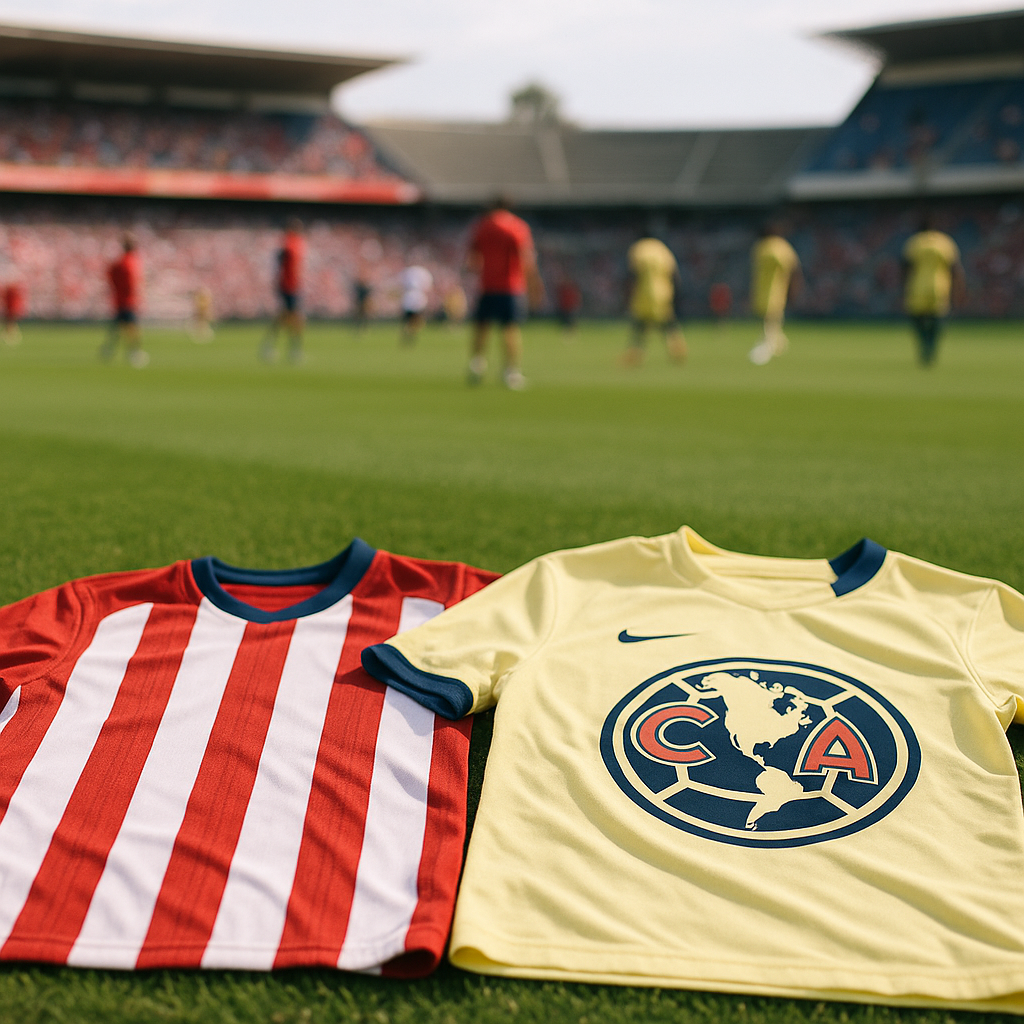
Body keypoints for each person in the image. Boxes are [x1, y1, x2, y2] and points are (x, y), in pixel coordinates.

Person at [466, 196, 543, 389]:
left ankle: (477, 364)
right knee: (510, 328)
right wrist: (534, 284)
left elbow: (472, 259)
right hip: (510, 285)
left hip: (487, 284)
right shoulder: (516, 226)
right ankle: (510, 371)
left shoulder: (482, 226)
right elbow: (526, 257)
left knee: (481, 326)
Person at [902, 216, 965, 366]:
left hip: (918, 287)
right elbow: (955, 267)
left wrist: (903, 288)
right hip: (939, 287)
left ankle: (924, 342)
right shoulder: (944, 242)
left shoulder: (915, 242)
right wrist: (960, 287)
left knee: (917, 318)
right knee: (937, 318)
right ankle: (932, 344)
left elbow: (906, 267)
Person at [623, 237, 687, 366]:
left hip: (643, 293)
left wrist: (627, 295)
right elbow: (674, 274)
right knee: (667, 322)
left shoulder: (638, 250)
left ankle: (635, 354)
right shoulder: (663, 250)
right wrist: (677, 294)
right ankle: (677, 348)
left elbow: (632, 274)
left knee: (640, 324)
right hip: (663, 292)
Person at [749, 224, 801, 365]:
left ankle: (768, 344)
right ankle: (777, 342)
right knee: (771, 316)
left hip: (772, 288)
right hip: (772, 287)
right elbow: (793, 265)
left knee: (770, 317)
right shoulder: (780, 246)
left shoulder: (766, 247)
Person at [99, 234, 148, 368]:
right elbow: (132, 283)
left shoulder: (120, 262)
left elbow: (110, 275)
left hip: (119, 299)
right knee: (132, 327)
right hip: (128, 300)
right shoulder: (130, 262)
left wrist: (116, 289)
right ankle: (134, 352)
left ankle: (109, 349)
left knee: (118, 327)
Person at [260, 219, 305, 364]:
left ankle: (273, 346)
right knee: (293, 318)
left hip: (292, 285)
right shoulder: (289, 244)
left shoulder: (296, 243)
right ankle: (292, 349)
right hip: (288, 285)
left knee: (287, 317)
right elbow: (279, 263)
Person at [399, 264, 433, 344]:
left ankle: (410, 330)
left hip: (410, 296)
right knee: (415, 318)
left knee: (412, 318)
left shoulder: (408, 272)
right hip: (416, 297)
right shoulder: (423, 272)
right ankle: (411, 330)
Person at [3, 280, 25, 345]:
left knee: (10, 323)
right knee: (11, 323)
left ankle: (12, 334)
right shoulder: (13, 293)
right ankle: (12, 334)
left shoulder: (12, 293)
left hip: (11, 309)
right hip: (11, 309)